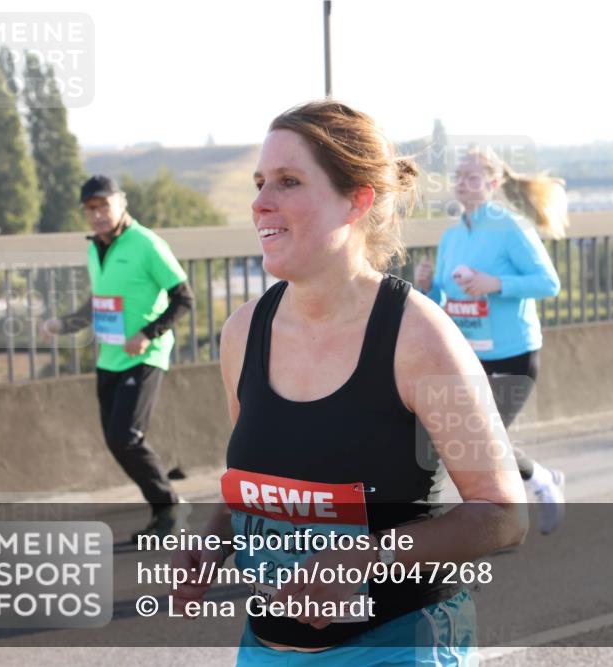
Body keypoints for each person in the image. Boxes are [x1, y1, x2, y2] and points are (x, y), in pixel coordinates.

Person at [171, 101, 527, 665]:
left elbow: (503, 513)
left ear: (357, 200)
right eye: (260, 183)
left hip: (399, 645)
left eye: (289, 181)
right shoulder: (243, 332)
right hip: (266, 649)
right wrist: (213, 542)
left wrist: (365, 559)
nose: (261, 202)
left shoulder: (420, 337)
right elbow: (257, 483)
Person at [414, 147, 568, 534]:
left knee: (486, 442)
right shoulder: (451, 237)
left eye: (472, 177)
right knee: (470, 441)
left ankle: (536, 488)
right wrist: (428, 287)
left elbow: (548, 283)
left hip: (514, 352)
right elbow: (444, 300)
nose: (463, 183)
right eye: (459, 176)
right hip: (469, 354)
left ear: (493, 183)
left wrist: (495, 283)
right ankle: (534, 485)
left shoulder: (511, 227)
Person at [42, 175, 194, 543]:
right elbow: (100, 303)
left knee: (126, 436)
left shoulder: (146, 244)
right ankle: (164, 508)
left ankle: (170, 508)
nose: (97, 214)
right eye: (90, 208)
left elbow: (184, 298)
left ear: (121, 202)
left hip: (145, 356)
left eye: (103, 206)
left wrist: (147, 334)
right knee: (116, 440)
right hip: (109, 358)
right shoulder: (95, 248)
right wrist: (65, 323)